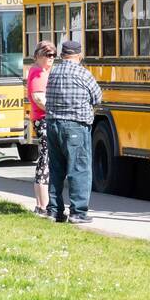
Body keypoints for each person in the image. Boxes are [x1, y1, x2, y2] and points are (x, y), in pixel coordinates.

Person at [42, 39, 101, 224]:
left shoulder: (54, 72)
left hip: (52, 125)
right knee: (79, 169)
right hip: (75, 126)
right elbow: (98, 97)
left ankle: (54, 210)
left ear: (62, 54)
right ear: (79, 55)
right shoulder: (83, 73)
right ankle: (78, 212)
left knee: (56, 169)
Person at [26, 41, 55, 216]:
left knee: (44, 160)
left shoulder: (40, 71)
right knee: (46, 160)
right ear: (38, 55)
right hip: (43, 119)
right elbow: (38, 97)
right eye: (47, 54)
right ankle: (43, 206)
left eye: (53, 55)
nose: (50, 58)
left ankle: (41, 205)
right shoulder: (38, 72)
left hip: (41, 119)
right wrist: (55, 111)